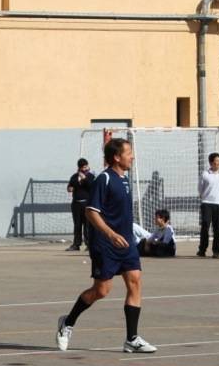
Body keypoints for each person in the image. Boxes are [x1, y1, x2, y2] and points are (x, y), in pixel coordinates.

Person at [56, 138, 156, 354]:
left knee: (135, 282)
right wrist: (110, 235)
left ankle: (132, 339)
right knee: (101, 290)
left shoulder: (125, 179)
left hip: (126, 242)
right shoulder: (104, 179)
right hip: (105, 244)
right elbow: (91, 212)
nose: (132, 157)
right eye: (128, 153)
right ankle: (67, 322)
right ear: (117, 157)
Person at [197, 152, 219, 258]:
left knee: (217, 227)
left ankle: (216, 250)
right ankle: (202, 249)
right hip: (207, 203)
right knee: (205, 225)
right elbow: (200, 188)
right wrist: (204, 197)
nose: (218, 163)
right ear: (211, 162)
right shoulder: (205, 174)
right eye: (216, 161)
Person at [66, 158, 94, 251]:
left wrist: (84, 179)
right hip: (76, 204)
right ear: (79, 167)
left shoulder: (90, 176)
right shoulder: (74, 176)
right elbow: (69, 186)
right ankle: (76, 244)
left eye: (86, 166)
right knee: (77, 225)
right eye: (83, 167)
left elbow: (91, 186)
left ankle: (89, 244)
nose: (85, 168)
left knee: (87, 225)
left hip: (86, 203)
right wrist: (70, 188)